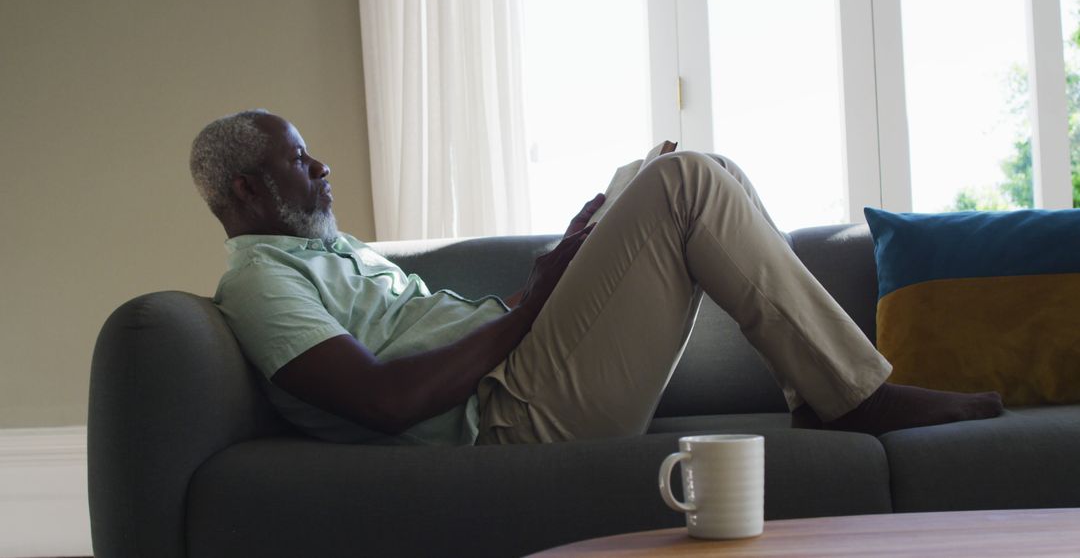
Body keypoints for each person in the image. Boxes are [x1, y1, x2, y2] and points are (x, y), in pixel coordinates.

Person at [192, 109, 1003, 446]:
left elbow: (435, 337)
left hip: (519, 371)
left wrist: (539, 285)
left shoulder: (333, 254)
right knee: (683, 187)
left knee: (683, 167)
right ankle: (855, 398)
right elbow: (385, 400)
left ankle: (827, 395)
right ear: (247, 192)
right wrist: (538, 305)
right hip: (506, 423)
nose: (321, 167)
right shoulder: (260, 284)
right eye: (298, 161)